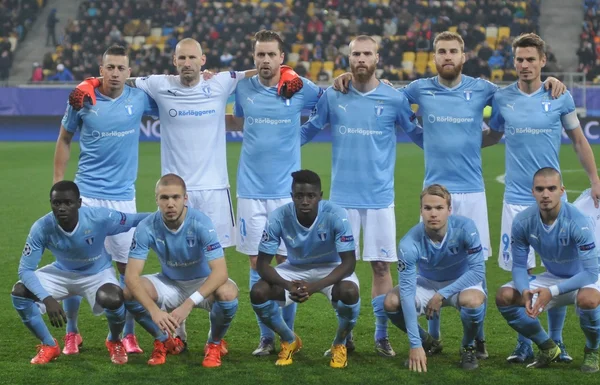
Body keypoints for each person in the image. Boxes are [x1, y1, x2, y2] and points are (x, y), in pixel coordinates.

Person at [333, 30, 565, 358]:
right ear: (434, 56)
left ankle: (478, 340)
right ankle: (433, 334)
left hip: (471, 193)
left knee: (476, 268)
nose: (447, 56)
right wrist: (348, 75)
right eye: (441, 51)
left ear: (463, 55)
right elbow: (381, 92)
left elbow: (514, 102)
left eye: (453, 51)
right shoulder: (419, 89)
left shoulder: (483, 89)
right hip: (434, 194)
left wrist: (552, 81)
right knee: (431, 266)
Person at [68, 38, 301, 343]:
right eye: (182, 58)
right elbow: (120, 77)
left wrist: (290, 74)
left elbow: (257, 70)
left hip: (215, 190)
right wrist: (89, 82)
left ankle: (218, 336)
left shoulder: (221, 82)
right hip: (175, 191)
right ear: (174, 61)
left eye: (193, 58)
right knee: (173, 256)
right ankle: (178, 328)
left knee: (215, 264)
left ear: (203, 60)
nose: (188, 63)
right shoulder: (158, 84)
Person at [301, 35, 422, 358]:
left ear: (377, 58)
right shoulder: (333, 95)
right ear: (348, 58)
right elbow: (307, 131)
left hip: (380, 198)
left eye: (367, 53)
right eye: (355, 54)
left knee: (381, 267)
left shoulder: (394, 100)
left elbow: (419, 136)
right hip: (342, 200)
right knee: (342, 270)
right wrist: (275, 138)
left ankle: (382, 336)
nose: (361, 59)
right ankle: (346, 334)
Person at [484, 33, 600, 363]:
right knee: (521, 277)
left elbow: (578, 141)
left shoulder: (558, 96)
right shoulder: (502, 98)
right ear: (513, 61)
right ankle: (526, 344)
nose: (524, 65)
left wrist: (595, 179)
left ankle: (557, 342)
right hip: (517, 201)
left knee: (555, 271)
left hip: (549, 198)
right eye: (519, 59)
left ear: (542, 61)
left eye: (530, 59)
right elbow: (493, 134)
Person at [54, 45, 159, 355]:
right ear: (101, 68)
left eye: (121, 68)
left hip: (124, 199)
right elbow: (64, 138)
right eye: (109, 67)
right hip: (86, 196)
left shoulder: (139, 98)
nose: (114, 73)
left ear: (129, 72)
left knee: (129, 271)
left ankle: (126, 334)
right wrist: (58, 184)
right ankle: (72, 332)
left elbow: (172, 87)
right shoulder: (82, 99)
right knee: (75, 266)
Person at [232, 30, 323, 356]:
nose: (265, 60)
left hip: (287, 194)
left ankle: (286, 334)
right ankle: (270, 337)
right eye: (260, 55)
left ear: (282, 58)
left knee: (286, 262)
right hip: (251, 191)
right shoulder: (244, 88)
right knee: (258, 262)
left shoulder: (300, 88)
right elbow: (239, 117)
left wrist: (300, 136)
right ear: (254, 57)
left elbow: (327, 104)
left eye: (271, 55)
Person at [11, 181, 150, 365]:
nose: (61, 208)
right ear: (51, 203)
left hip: (97, 273)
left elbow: (133, 220)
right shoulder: (42, 227)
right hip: (61, 273)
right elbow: (25, 269)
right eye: (56, 203)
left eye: (68, 203)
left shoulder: (99, 217)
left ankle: (114, 340)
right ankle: (49, 344)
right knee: (19, 292)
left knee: (114, 298)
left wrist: (166, 215)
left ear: (79, 202)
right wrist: (47, 298)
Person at [125, 174, 239, 367]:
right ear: (156, 200)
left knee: (228, 293)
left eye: (176, 197)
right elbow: (130, 276)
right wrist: (154, 311)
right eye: (164, 198)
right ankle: (164, 340)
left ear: (185, 199)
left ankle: (214, 343)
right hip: (169, 282)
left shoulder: (201, 223)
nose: (170, 204)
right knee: (129, 292)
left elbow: (220, 273)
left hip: (202, 283)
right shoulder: (147, 227)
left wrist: (188, 304)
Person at [250, 170, 360, 368]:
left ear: (320, 196)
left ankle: (340, 343)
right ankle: (289, 338)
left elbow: (349, 263)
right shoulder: (278, 217)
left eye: (311, 196)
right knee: (258, 292)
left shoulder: (336, 215)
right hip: (294, 268)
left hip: (331, 267)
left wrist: (314, 286)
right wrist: (287, 285)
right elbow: (262, 264)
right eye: (299, 196)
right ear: (292, 197)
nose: (305, 201)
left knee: (350, 292)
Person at [496, 167, 600, 372]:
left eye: (551, 188)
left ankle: (592, 350)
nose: (545, 194)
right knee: (505, 296)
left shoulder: (578, 221)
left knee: (589, 300)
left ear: (562, 191)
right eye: (540, 189)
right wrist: (525, 290)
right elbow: (518, 266)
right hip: (552, 277)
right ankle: (548, 347)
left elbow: (591, 272)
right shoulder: (523, 221)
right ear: (532, 191)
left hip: (584, 279)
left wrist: (551, 292)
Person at [384, 184, 486, 372]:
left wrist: (441, 295)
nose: (433, 213)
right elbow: (407, 293)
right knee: (391, 302)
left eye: (439, 208)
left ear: (449, 210)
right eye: (428, 208)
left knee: (474, 301)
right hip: (427, 282)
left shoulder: (465, 228)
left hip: (461, 282)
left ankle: (467, 347)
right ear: (421, 211)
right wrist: (414, 344)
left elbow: (478, 272)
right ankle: (427, 342)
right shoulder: (409, 243)